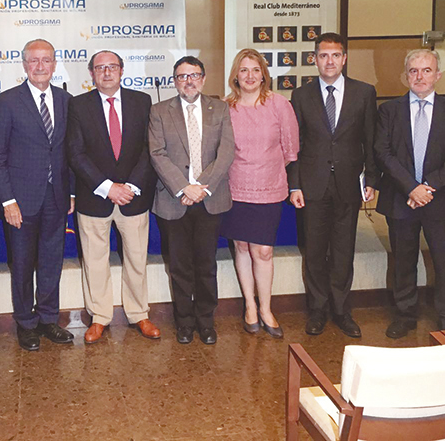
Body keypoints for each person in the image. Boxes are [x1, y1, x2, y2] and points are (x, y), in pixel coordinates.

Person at [375, 49, 445, 338]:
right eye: (414, 71)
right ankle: (405, 315)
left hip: (442, 199)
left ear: (438, 75)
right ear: (405, 76)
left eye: (426, 70)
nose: (420, 76)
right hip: (401, 198)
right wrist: (411, 187)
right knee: (403, 262)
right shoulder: (389, 111)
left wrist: (427, 186)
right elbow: (382, 152)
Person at [288, 32, 378, 338]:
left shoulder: (364, 93)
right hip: (312, 185)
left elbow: (371, 139)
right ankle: (317, 310)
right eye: (323, 55)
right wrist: (294, 185)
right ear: (314, 59)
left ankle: (341, 310)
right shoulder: (301, 95)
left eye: (335, 55)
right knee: (314, 252)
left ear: (344, 58)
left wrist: (372, 179)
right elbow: (296, 144)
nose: (330, 61)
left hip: (348, 184)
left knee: (343, 251)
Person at [67, 50, 159, 344]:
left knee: (137, 259)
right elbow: (75, 153)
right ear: (91, 74)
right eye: (100, 68)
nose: (106, 72)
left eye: (112, 67)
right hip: (94, 197)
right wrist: (108, 187)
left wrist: (130, 186)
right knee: (95, 261)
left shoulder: (142, 101)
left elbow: (149, 148)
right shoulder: (78, 105)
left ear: (121, 70)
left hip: (134, 197)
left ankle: (139, 314)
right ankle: (99, 317)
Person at [0, 39, 75, 351]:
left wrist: (72, 193)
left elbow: (70, 152)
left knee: (52, 261)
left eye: (46, 60)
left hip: (57, 197)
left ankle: (48, 319)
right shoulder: (7, 101)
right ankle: (26, 323)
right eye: (34, 60)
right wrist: (8, 201)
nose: (40, 66)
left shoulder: (67, 100)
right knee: (23, 263)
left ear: (54, 64)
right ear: (25, 64)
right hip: (21, 200)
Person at [149, 56, 235, 344]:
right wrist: (184, 188)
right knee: (179, 266)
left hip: (210, 199)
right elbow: (157, 154)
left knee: (206, 265)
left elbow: (226, 152)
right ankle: (184, 322)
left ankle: (206, 321)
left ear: (203, 78)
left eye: (194, 75)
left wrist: (201, 188)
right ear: (175, 81)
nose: (189, 81)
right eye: (182, 76)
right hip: (174, 201)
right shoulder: (159, 111)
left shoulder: (220, 108)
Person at [221, 49, 298, 337]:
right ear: (236, 76)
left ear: (264, 75)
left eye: (256, 70)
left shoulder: (279, 104)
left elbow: (290, 150)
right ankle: (250, 307)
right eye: (244, 70)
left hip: (269, 189)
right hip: (235, 189)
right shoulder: (226, 107)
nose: (250, 76)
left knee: (263, 251)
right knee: (242, 247)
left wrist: (267, 169)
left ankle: (266, 308)